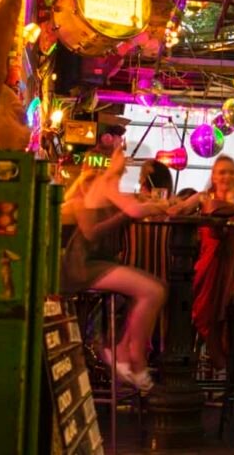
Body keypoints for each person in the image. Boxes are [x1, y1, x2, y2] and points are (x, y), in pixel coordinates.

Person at [61, 146, 169, 393]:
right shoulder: (102, 184)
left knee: (158, 288)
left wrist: (154, 204)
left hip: (99, 262)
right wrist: (153, 207)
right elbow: (130, 213)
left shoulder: (110, 186)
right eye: (121, 156)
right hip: (83, 265)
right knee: (153, 291)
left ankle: (120, 350)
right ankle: (135, 361)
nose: (126, 163)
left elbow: (134, 206)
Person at [169, 155, 234, 397]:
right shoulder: (204, 198)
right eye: (221, 172)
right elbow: (175, 212)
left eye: (230, 172)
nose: (226, 176)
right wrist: (171, 202)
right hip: (211, 267)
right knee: (201, 313)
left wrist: (232, 211)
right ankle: (213, 376)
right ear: (213, 176)